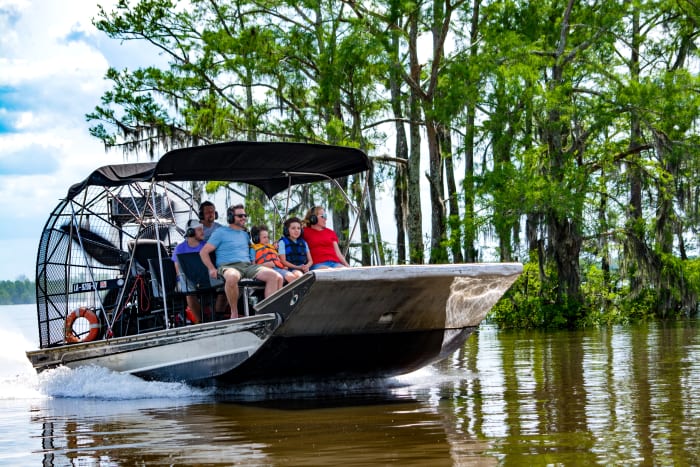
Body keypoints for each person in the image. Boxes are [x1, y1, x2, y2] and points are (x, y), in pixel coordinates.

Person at [199, 204, 283, 318]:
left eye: (244, 215)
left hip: (248, 266)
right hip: (229, 266)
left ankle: (269, 314)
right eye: (240, 215)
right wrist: (211, 269)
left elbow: (253, 251)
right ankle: (234, 313)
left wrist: (272, 248)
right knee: (232, 277)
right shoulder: (220, 232)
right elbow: (203, 252)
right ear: (230, 217)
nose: (243, 217)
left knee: (275, 276)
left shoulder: (245, 235)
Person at [171, 219, 206, 323]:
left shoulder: (206, 246)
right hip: (185, 281)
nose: (202, 232)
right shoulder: (180, 249)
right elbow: (178, 272)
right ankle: (200, 322)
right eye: (199, 229)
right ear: (190, 232)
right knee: (189, 289)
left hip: (203, 279)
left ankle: (216, 315)